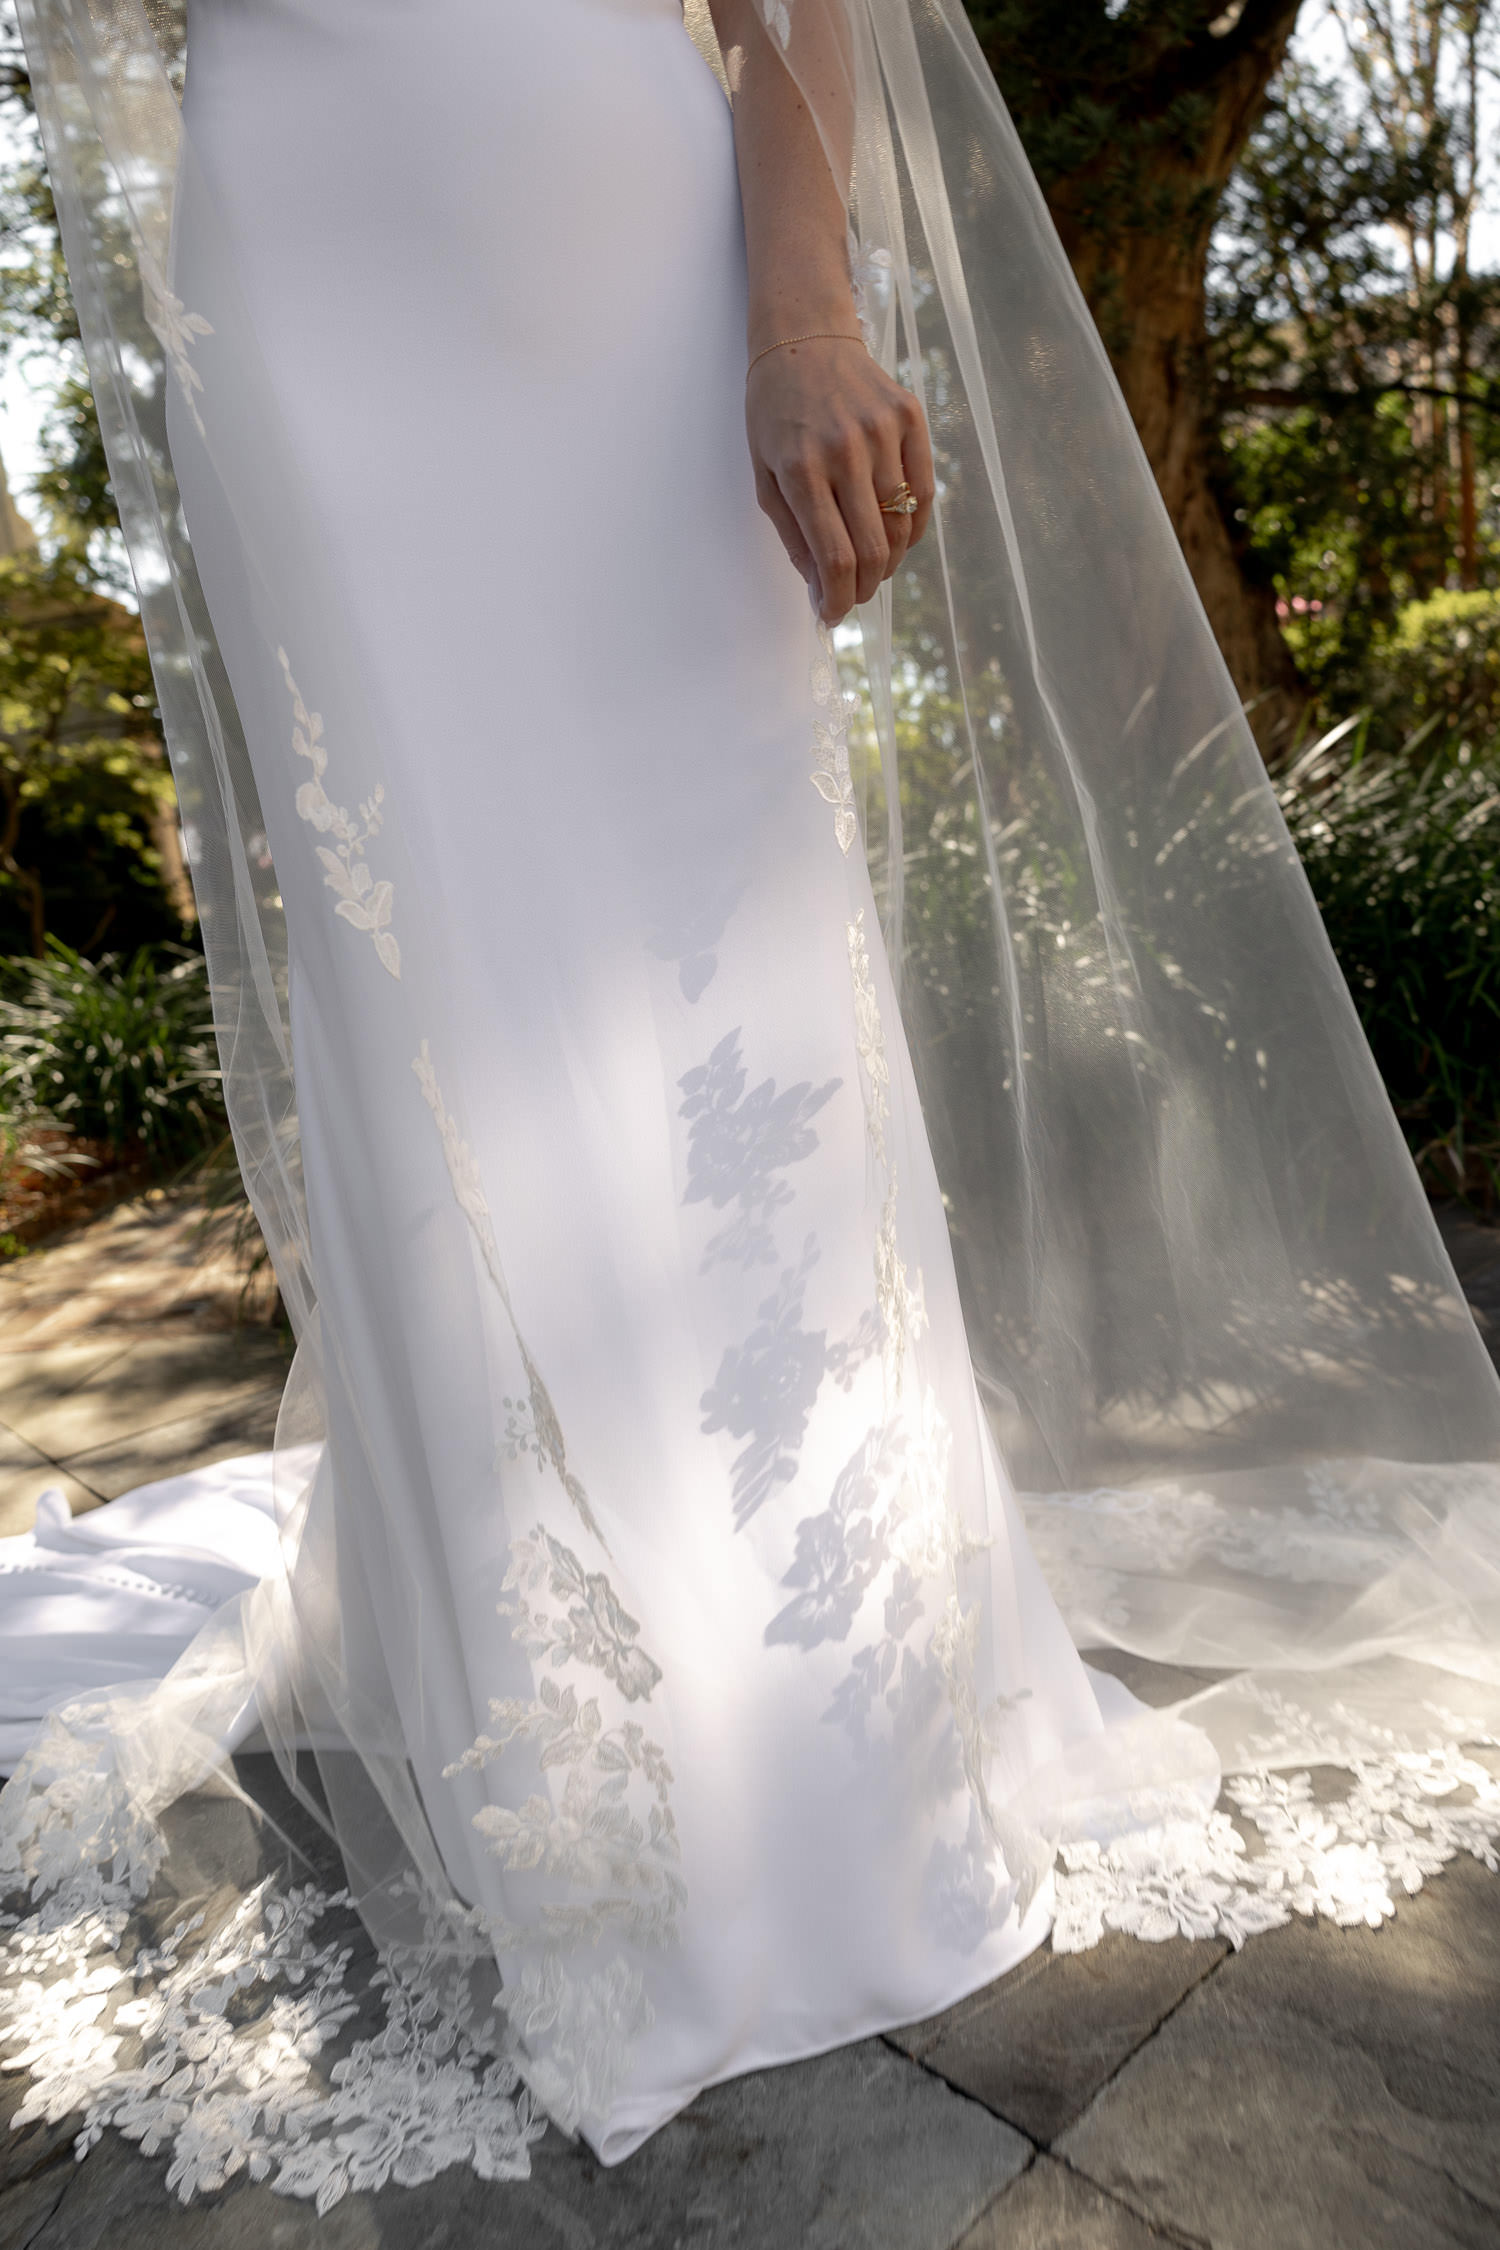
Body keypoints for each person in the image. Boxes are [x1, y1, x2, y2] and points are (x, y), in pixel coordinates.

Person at [1, 0, 1496, 2205]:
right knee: (420, 964)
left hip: (596, 202)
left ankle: (825, 1746)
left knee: (726, 948)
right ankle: (552, 1744)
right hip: (295, 228)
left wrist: (803, 298)